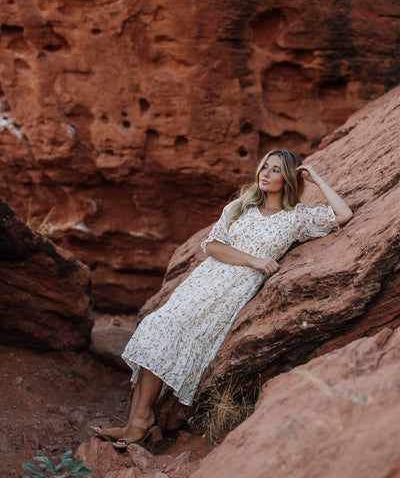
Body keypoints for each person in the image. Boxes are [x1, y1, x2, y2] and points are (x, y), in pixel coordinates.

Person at [91, 149, 352, 449]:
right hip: (203, 282)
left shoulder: (296, 218)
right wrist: (255, 260)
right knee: (155, 328)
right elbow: (213, 247)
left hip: (231, 292)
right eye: (264, 167)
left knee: (163, 335)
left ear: (290, 178)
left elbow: (344, 214)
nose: (265, 173)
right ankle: (136, 423)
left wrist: (317, 179)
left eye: (276, 170)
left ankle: (140, 424)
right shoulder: (239, 207)